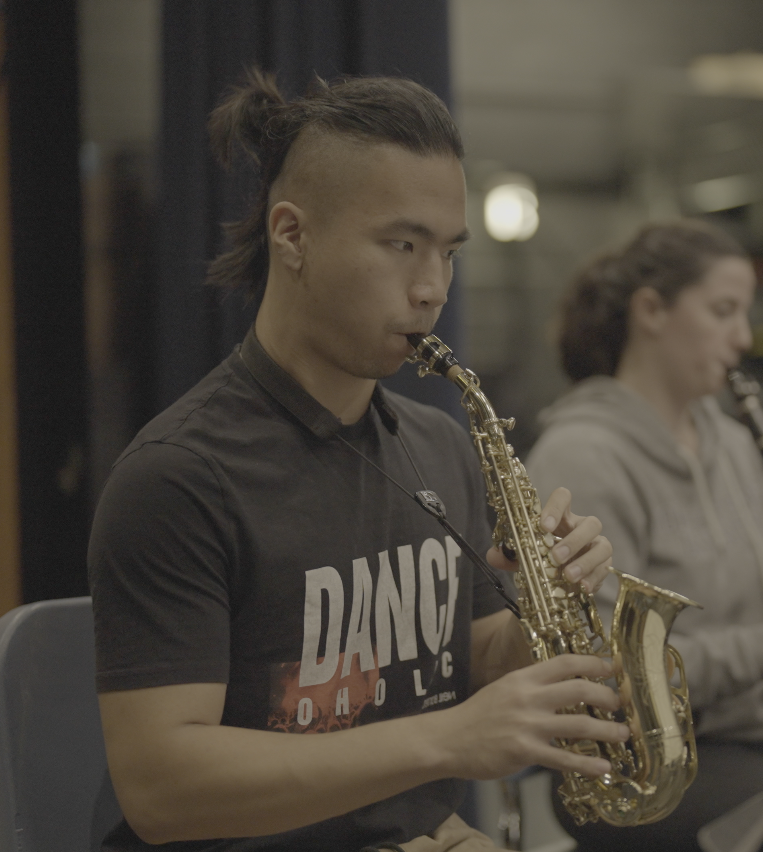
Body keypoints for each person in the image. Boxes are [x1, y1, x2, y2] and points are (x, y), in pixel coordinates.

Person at [87, 70, 625, 852]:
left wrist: (547, 609)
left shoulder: (440, 443)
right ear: (292, 235)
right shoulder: (177, 477)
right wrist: (447, 741)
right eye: (402, 245)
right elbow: (161, 789)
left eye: (447, 252)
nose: (432, 288)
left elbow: (475, 666)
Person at [525, 220, 763, 852]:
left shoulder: (733, 442)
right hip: (648, 755)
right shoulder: (581, 456)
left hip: (762, 720)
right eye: (723, 311)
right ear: (651, 310)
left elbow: (746, 604)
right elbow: (613, 678)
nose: (743, 338)